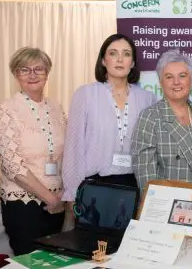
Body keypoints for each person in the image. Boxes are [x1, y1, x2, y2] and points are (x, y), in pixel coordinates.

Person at [61, 34, 156, 210]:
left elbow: (152, 150)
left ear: (133, 63)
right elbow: (74, 146)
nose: (120, 59)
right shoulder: (85, 94)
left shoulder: (147, 99)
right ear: (103, 61)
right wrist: (72, 192)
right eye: (113, 53)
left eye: (126, 54)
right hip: (95, 186)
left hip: (135, 186)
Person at [0, 47, 67, 256]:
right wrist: (51, 199)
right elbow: (13, 165)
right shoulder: (6, 110)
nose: (32, 75)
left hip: (57, 202)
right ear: (16, 74)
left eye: (38, 69)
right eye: (25, 70)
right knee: (30, 265)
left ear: (47, 73)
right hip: (23, 205)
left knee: (53, 263)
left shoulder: (56, 107)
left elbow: (68, 153)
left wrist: (62, 194)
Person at [132, 50, 192, 192]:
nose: (176, 82)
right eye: (169, 77)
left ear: (191, 80)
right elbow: (145, 176)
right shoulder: (150, 117)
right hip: (166, 202)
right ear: (161, 82)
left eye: (182, 76)